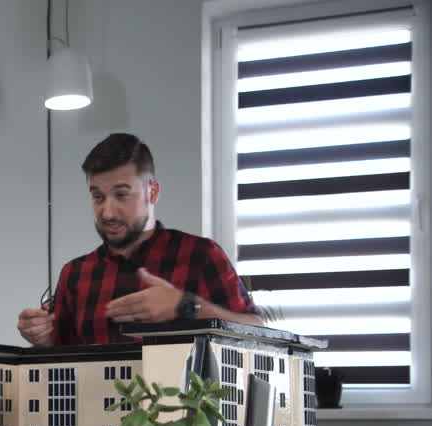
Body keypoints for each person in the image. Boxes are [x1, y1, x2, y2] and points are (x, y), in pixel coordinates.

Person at [18, 133, 262, 347]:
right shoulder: (75, 273)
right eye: (98, 197)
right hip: (97, 401)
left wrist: (185, 306)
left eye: (122, 195)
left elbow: (259, 333)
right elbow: (61, 360)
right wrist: (43, 339)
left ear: (152, 192)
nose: (108, 212)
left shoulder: (200, 255)